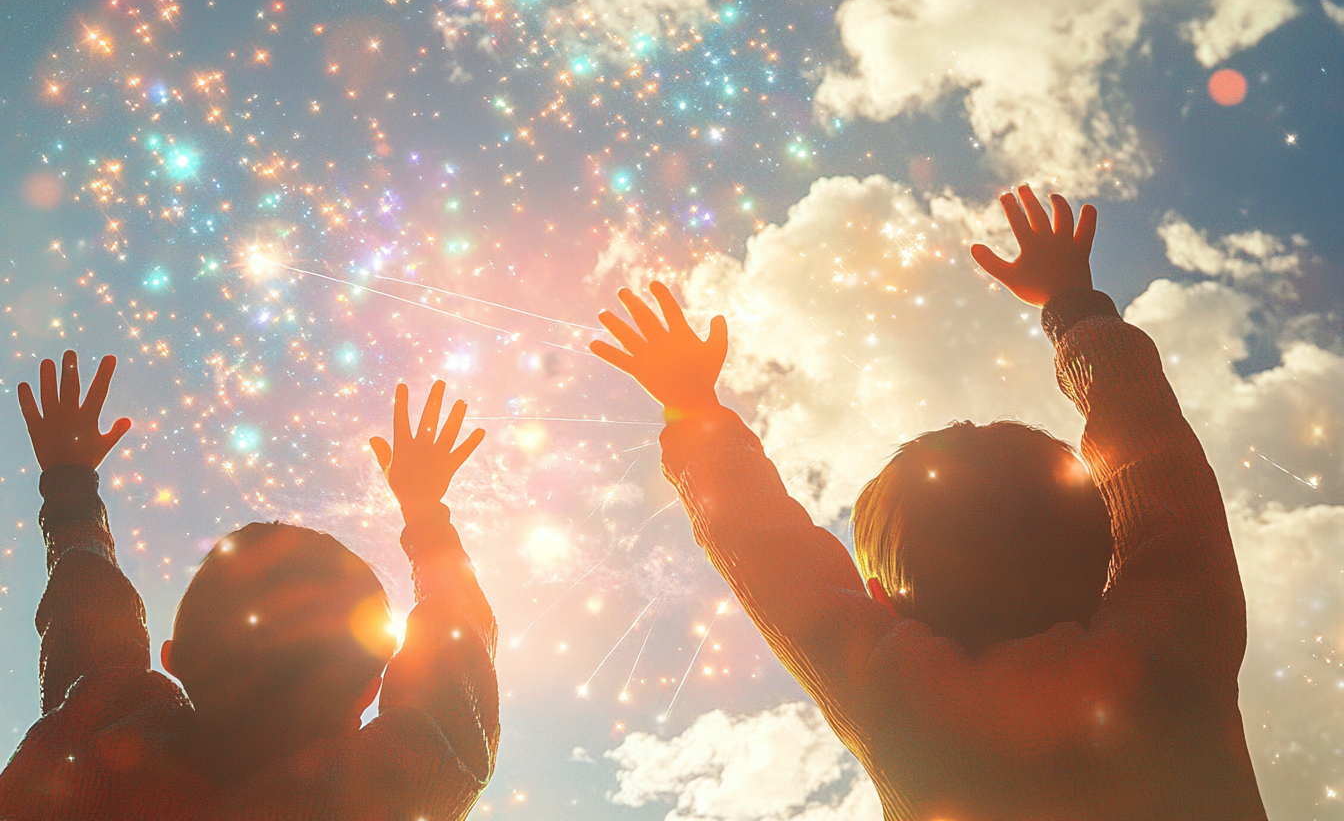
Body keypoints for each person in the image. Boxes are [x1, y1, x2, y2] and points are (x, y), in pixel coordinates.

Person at [590, 186, 1267, 820]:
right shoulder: (1171, 638)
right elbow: (1158, 462)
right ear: (1110, 547)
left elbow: (773, 560)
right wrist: (1074, 306)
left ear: (883, 598)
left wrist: (696, 410)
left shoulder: (903, 698)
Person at [0, 354, 499, 821]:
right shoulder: (382, 789)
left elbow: (88, 623)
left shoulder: (102, 753)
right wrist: (426, 516)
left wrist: (70, 485)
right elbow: (453, 657)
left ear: (174, 661)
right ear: (371, 691)